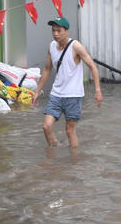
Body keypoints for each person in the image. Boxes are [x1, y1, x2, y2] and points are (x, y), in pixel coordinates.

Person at [31, 17, 102, 149]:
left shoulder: (76, 46)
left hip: (73, 95)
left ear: (67, 31)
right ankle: (55, 155)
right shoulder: (51, 46)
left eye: (59, 31)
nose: (55, 34)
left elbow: (92, 66)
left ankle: (74, 164)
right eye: (53, 31)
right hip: (56, 94)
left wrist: (97, 90)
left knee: (70, 131)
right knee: (46, 127)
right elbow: (47, 69)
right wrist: (37, 92)